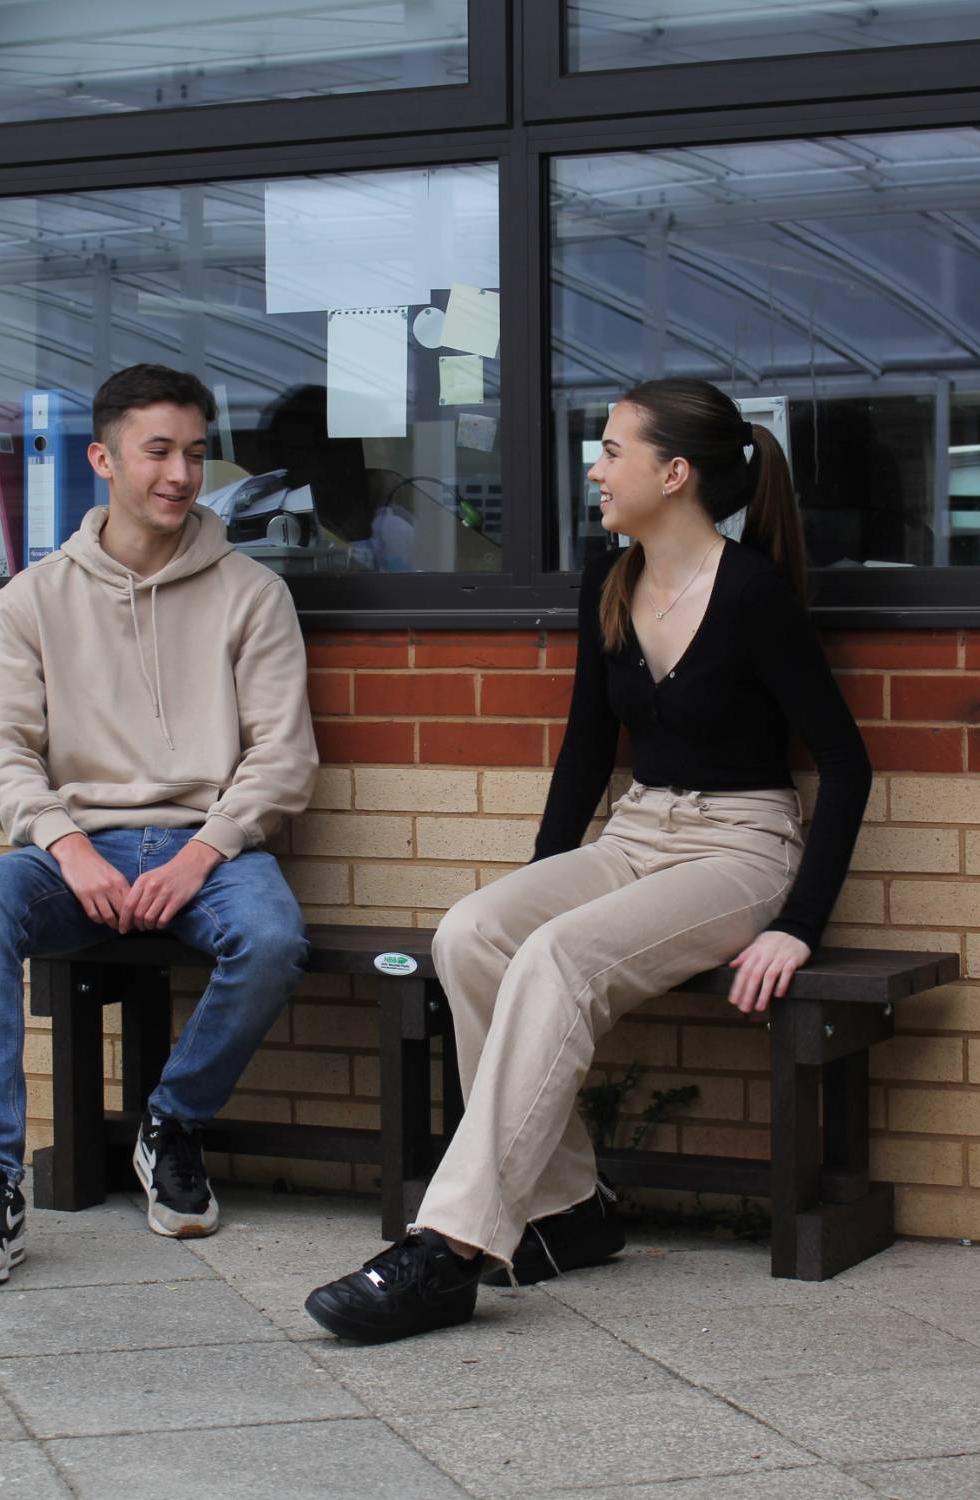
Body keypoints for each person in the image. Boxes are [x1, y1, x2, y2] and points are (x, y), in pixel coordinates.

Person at [304, 377, 873, 1342]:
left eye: (612, 450)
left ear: (675, 472)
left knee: (559, 959)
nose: (594, 467)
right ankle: (569, 1208)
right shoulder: (607, 580)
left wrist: (795, 928)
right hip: (636, 829)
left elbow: (848, 766)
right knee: (477, 932)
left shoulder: (754, 594)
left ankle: (450, 1249)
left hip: (740, 848)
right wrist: (535, 881)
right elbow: (583, 751)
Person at [0, 364, 319, 1286]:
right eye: (158, 452)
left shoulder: (251, 594)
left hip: (208, 845)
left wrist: (202, 854)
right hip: (79, 847)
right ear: (105, 458)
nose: (180, 475)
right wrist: (66, 847)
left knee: (270, 938)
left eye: (193, 453)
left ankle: (171, 1121)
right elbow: (4, 752)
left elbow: (283, 756)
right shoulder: (33, 600)